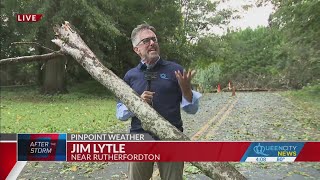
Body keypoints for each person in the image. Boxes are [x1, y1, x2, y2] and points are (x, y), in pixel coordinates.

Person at [116, 24, 201, 180]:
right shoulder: (130, 76)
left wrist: (187, 91)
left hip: (171, 137)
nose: (152, 43)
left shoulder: (175, 70)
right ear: (137, 49)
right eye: (146, 40)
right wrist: (137, 103)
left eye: (154, 39)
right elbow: (120, 113)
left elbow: (192, 110)